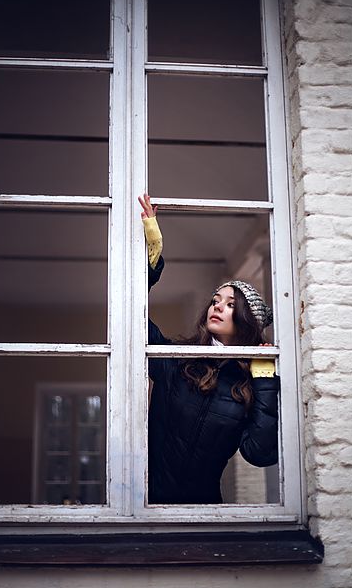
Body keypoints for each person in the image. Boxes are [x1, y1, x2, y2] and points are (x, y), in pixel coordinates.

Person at [139, 193, 280, 505]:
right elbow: (130, 317)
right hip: (149, 504)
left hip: (206, 513)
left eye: (230, 305)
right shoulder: (177, 360)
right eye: (215, 301)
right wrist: (152, 253)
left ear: (245, 321)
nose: (217, 307)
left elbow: (259, 453)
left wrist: (265, 374)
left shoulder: (248, 385)